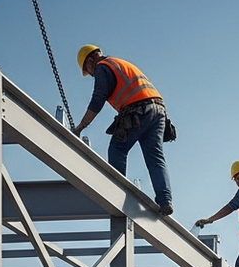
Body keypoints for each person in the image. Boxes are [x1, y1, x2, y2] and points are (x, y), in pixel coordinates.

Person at [71, 45, 174, 217]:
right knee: (155, 157)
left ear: (90, 61)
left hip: (138, 109)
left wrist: (82, 126)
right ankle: (165, 201)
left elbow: (98, 98)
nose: (90, 74)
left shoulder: (103, 66)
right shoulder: (118, 63)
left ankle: (117, 192)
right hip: (158, 111)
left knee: (117, 149)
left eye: (88, 70)